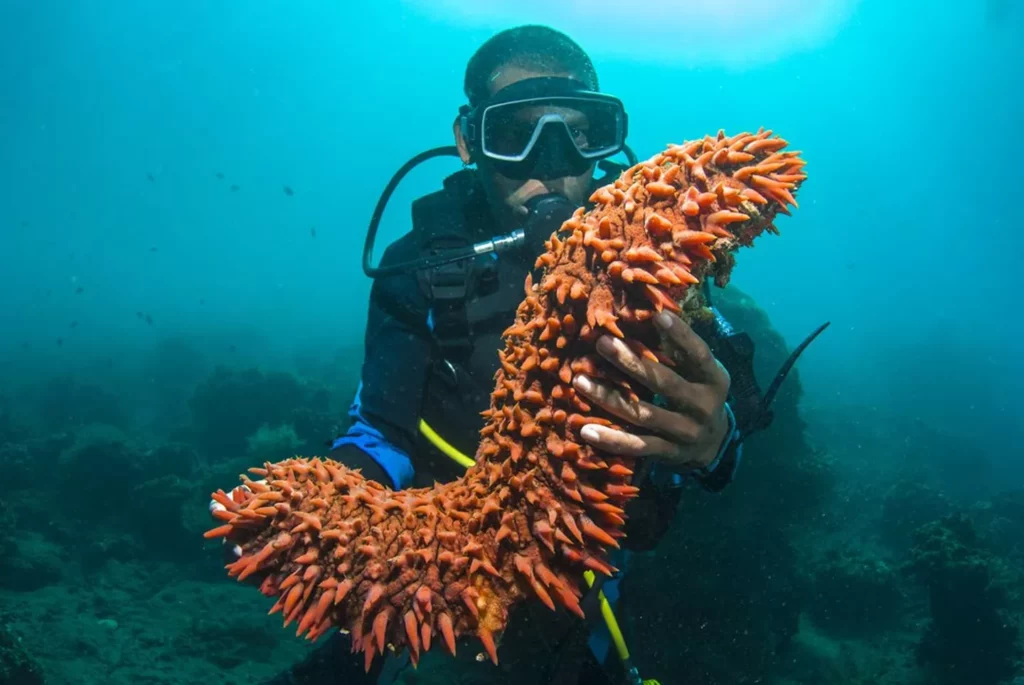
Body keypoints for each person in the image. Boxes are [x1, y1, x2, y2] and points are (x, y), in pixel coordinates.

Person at [241, 24, 810, 685]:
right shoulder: (422, 269)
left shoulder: (662, 268)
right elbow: (380, 431)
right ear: (468, 141)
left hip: (578, 595)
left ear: (608, 140)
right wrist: (344, 505)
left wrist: (715, 445)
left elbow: (726, 420)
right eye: (515, 135)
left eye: (580, 133)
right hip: (439, 581)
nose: (551, 163)